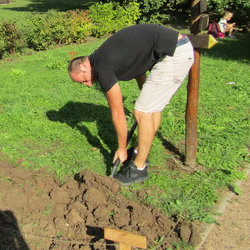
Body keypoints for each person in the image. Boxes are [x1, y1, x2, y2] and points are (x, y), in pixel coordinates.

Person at [68, 24, 194, 185]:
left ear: (84, 66)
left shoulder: (102, 67)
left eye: (84, 80)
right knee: (150, 108)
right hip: (174, 49)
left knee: (143, 111)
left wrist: (121, 148)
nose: (89, 85)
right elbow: (137, 68)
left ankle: (138, 168)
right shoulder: (102, 56)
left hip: (174, 53)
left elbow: (118, 114)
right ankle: (140, 152)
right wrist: (146, 93)